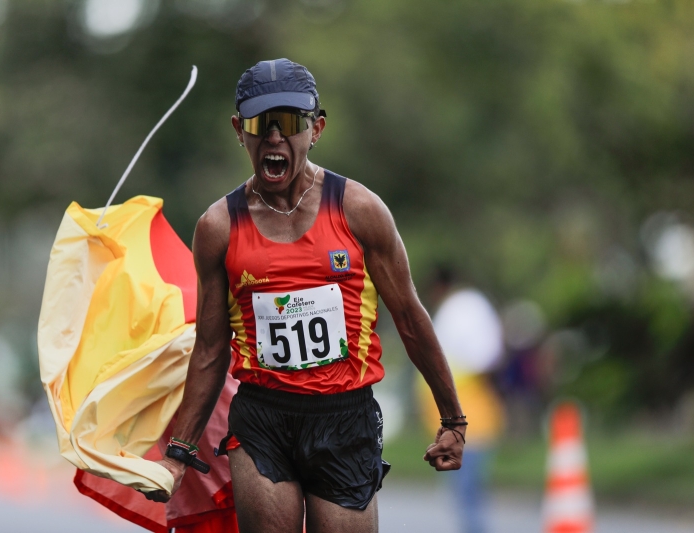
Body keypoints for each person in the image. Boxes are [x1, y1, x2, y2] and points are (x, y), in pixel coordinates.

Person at [153, 58, 466, 533]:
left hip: (346, 417)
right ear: (240, 130)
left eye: (291, 122)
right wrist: (180, 450)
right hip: (262, 416)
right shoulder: (218, 227)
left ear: (316, 128)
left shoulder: (359, 210)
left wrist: (452, 419)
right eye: (261, 123)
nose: (275, 137)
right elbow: (211, 349)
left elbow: (408, 317)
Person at [416, 267, 506, 533]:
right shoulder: (465, 308)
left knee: (467, 498)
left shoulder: (462, 310)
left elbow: (483, 357)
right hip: (466, 422)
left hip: (467, 423)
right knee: (467, 496)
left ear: (438, 287)